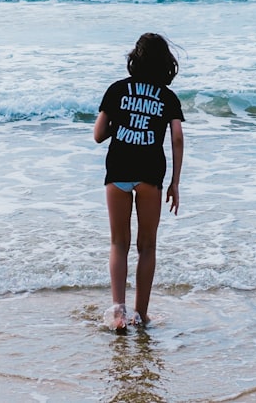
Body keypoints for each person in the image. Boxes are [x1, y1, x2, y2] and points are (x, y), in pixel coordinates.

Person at [94, 33, 184, 329]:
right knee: (147, 246)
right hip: (150, 173)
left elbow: (98, 134)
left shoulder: (117, 90)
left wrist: (123, 123)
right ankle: (141, 315)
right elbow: (177, 137)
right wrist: (175, 182)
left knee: (119, 243)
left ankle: (118, 313)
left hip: (118, 168)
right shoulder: (167, 97)